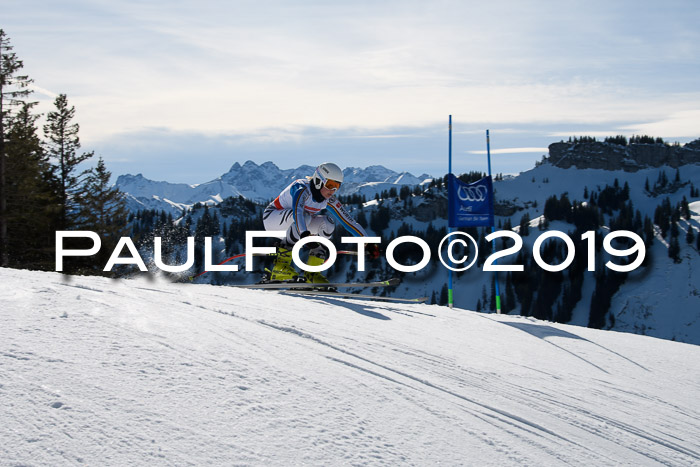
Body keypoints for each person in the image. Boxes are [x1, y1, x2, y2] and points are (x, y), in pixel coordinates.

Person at [262, 162, 378, 283]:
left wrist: (367, 242)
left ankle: (312, 273)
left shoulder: (329, 200)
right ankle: (280, 268)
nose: (333, 190)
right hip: (272, 219)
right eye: (330, 184)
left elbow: (349, 222)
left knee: (328, 223)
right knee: (305, 217)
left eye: (337, 186)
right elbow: (298, 211)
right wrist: (305, 234)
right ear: (319, 180)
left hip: (297, 226)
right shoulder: (301, 188)